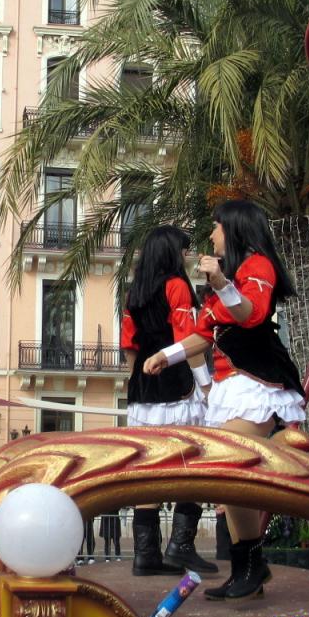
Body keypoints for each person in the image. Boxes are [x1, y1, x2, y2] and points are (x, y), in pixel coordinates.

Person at [145, 199, 305, 601]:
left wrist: (219, 283)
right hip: (232, 387)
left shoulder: (257, 265)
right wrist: (167, 356)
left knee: (228, 464)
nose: (211, 235)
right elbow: (204, 335)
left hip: (261, 383)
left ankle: (251, 565)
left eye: (215, 227)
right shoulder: (231, 275)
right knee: (228, 476)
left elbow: (251, 313)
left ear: (232, 229)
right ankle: (248, 568)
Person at [121, 224, 218, 577]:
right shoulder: (177, 287)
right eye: (181, 250)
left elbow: (130, 347)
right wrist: (204, 386)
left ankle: (145, 555)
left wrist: (137, 385)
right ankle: (182, 546)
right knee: (188, 463)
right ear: (169, 253)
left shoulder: (134, 294)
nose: (185, 257)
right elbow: (187, 342)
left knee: (149, 471)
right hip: (177, 387)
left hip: (143, 394)